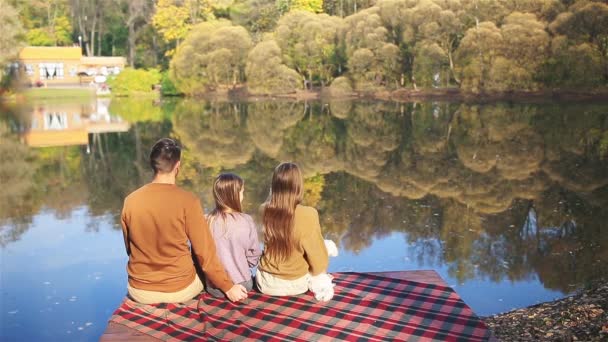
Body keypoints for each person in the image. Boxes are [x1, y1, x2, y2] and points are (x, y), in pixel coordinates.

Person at [120, 138, 248, 304]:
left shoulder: (131, 201)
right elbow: (205, 254)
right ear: (177, 166)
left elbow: (129, 248)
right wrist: (228, 287)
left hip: (140, 290)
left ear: (153, 165)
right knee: (197, 259)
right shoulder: (188, 201)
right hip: (179, 289)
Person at [256, 162, 334, 301]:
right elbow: (319, 264)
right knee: (324, 249)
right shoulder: (309, 214)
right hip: (296, 285)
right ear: (299, 186)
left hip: (265, 282)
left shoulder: (264, 210)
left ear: (274, 186)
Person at [205, 173, 262, 298]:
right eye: (242, 192)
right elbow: (254, 255)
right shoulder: (246, 220)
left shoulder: (206, 221)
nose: (243, 196)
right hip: (243, 283)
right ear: (234, 195)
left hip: (214, 287)